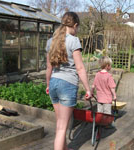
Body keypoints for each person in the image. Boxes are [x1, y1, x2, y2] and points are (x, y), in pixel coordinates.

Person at [45, 12, 91, 150]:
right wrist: (88, 89)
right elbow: (80, 68)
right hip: (67, 85)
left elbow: (48, 67)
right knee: (61, 128)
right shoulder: (73, 40)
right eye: (77, 28)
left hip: (54, 83)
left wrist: (48, 85)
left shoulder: (50, 41)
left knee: (60, 124)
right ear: (75, 25)